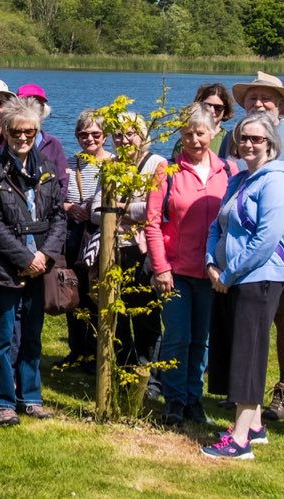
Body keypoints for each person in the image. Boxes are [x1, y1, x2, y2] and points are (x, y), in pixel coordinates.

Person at [222, 71, 284, 422]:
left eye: (266, 98)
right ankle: (243, 393)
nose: (259, 103)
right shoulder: (233, 137)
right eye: (253, 98)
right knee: (244, 321)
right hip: (238, 248)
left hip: (279, 252)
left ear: (279, 104)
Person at [201, 112, 284, 460]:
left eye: (257, 139)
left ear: (271, 144)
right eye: (243, 138)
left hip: (259, 279)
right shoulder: (241, 179)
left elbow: (266, 239)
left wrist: (229, 274)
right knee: (238, 349)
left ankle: (240, 441)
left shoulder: (277, 183)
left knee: (248, 354)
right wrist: (210, 262)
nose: (249, 144)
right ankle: (254, 426)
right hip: (230, 277)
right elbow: (218, 225)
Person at [0, 98, 68, 425]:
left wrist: (45, 255)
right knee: (2, 338)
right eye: (16, 131)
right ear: (5, 131)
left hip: (40, 264)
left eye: (29, 131)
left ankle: (30, 396)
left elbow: (58, 217)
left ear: (37, 131)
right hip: (4, 266)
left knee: (31, 334)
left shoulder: (47, 168)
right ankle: (2, 400)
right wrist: (24, 257)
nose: (22, 137)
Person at [146, 103, 234, 426]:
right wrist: (160, 267)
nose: (194, 140)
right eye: (187, 134)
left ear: (213, 133)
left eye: (200, 133)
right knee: (177, 337)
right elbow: (152, 223)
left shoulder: (229, 171)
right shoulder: (166, 171)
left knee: (202, 340)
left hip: (212, 273)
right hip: (176, 272)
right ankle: (174, 399)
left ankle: (193, 398)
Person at [108, 112, 166, 372]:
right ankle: (124, 368)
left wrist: (123, 208)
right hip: (114, 248)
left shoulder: (157, 164)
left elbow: (157, 209)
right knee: (117, 314)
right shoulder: (111, 165)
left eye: (130, 134)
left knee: (145, 314)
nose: (124, 140)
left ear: (142, 136)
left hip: (142, 250)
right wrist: (132, 208)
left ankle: (149, 373)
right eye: (118, 135)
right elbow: (96, 209)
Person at [60, 110, 110, 371]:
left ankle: (96, 352)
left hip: (101, 236)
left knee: (96, 295)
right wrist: (69, 207)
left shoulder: (113, 164)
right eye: (83, 134)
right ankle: (77, 350)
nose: (89, 139)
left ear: (105, 136)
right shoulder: (69, 164)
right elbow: (55, 198)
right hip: (75, 236)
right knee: (73, 292)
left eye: (95, 134)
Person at [15, 83, 71, 187]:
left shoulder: (53, 144)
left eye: (38, 105)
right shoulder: (9, 141)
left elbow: (63, 181)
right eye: (26, 104)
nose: (33, 110)